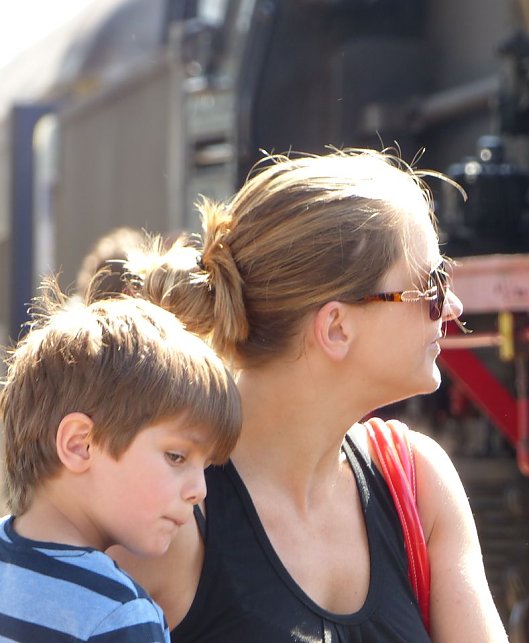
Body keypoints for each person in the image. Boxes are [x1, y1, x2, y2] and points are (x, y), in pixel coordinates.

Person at [116, 148, 508, 641]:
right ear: (336, 328)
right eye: (429, 284)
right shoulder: (171, 518)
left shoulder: (418, 483)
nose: (451, 306)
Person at [0, 282, 242, 642]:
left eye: (205, 467)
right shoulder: (122, 617)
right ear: (80, 445)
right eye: (176, 457)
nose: (199, 490)